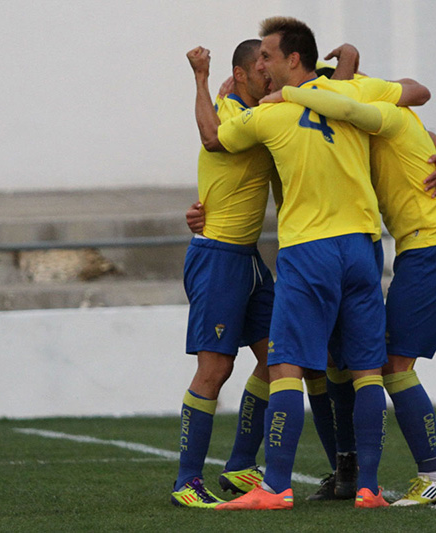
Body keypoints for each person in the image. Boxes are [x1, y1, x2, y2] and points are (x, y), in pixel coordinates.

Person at [186, 16, 430, 511]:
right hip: (363, 248)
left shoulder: (271, 114)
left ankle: (274, 486)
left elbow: (215, 141)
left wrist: (203, 82)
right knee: (365, 369)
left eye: (268, 58)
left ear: (292, 59)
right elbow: (415, 100)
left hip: (309, 250)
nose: (261, 67)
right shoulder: (354, 96)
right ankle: (367, 487)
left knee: (287, 366)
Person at [272, 83, 436, 505]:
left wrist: (289, 92)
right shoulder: (379, 119)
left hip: (428, 249)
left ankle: (432, 473)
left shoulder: (377, 113)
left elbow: (362, 101)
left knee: (393, 365)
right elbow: (417, 116)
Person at [170, 39, 279, 509]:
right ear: (240, 74)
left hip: (249, 258)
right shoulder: (229, 111)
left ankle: (238, 466)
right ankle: (186, 481)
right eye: (261, 66)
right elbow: (211, 138)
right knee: (215, 368)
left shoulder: (255, 110)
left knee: (277, 360)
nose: (268, 72)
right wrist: (198, 77)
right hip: (217, 256)